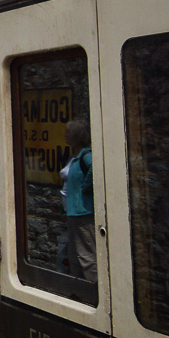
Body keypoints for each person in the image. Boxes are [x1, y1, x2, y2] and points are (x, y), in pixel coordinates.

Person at [64, 120, 96, 283]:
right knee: (74, 256)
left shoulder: (86, 155)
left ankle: (94, 289)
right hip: (73, 213)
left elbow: (94, 167)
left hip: (83, 213)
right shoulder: (74, 157)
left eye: (68, 132)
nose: (65, 135)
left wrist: (85, 187)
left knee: (86, 256)